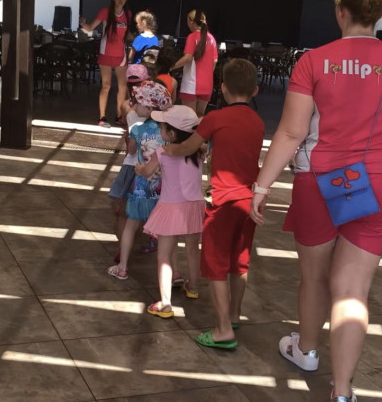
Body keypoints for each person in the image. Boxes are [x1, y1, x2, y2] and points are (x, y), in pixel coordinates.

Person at [250, 0, 382, 402]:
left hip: (320, 179)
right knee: (352, 290)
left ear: (341, 10)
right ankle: (342, 395)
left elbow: (291, 132)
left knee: (314, 277)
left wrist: (262, 186)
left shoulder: (314, 61)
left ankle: (307, 351)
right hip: (379, 182)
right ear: (380, 14)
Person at [164, 59, 264, 348]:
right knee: (239, 262)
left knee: (216, 264)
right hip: (249, 200)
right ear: (255, 90)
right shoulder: (258, 123)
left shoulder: (215, 118)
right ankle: (234, 314)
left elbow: (188, 146)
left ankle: (222, 330)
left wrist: (167, 149)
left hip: (222, 201)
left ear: (222, 87)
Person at [135, 105, 206, 318]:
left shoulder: (162, 151)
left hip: (170, 206)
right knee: (193, 250)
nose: (160, 130)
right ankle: (193, 288)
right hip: (194, 205)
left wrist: (139, 168)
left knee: (164, 256)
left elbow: (147, 171)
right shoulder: (200, 151)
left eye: (162, 127)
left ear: (172, 134)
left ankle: (165, 304)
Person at [107, 80, 172, 280]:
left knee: (131, 225)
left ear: (150, 107)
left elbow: (131, 151)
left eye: (140, 103)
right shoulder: (169, 132)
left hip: (141, 188)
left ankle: (122, 267)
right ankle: (169, 272)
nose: (135, 105)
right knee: (166, 232)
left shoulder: (138, 129)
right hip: (164, 189)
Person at [109, 64, 150, 264]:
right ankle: (148, 240)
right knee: (146, 210)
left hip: (131, 164)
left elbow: (131, 146)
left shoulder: (128, 108)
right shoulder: (159, 115)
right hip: (150, 167)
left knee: (124, 212)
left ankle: (122, 247)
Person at [79, 0, 131, 127]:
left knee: (122, 86)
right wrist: (83, 23)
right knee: (106, 85)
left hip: (121, 54)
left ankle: (120, 116)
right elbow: (90, 27)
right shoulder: (105, 12)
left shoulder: (128, 14)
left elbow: (128, 34)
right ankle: (102, 117)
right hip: (106, 52)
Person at [171, 9, 218, 117]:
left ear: (191, 21)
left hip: (191, 84)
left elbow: (187, 58)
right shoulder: (211, 38)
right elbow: (214, 61)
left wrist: (171, 67)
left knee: (189, 118)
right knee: (200, 116)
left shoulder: (192, 37)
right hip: (207, 84)